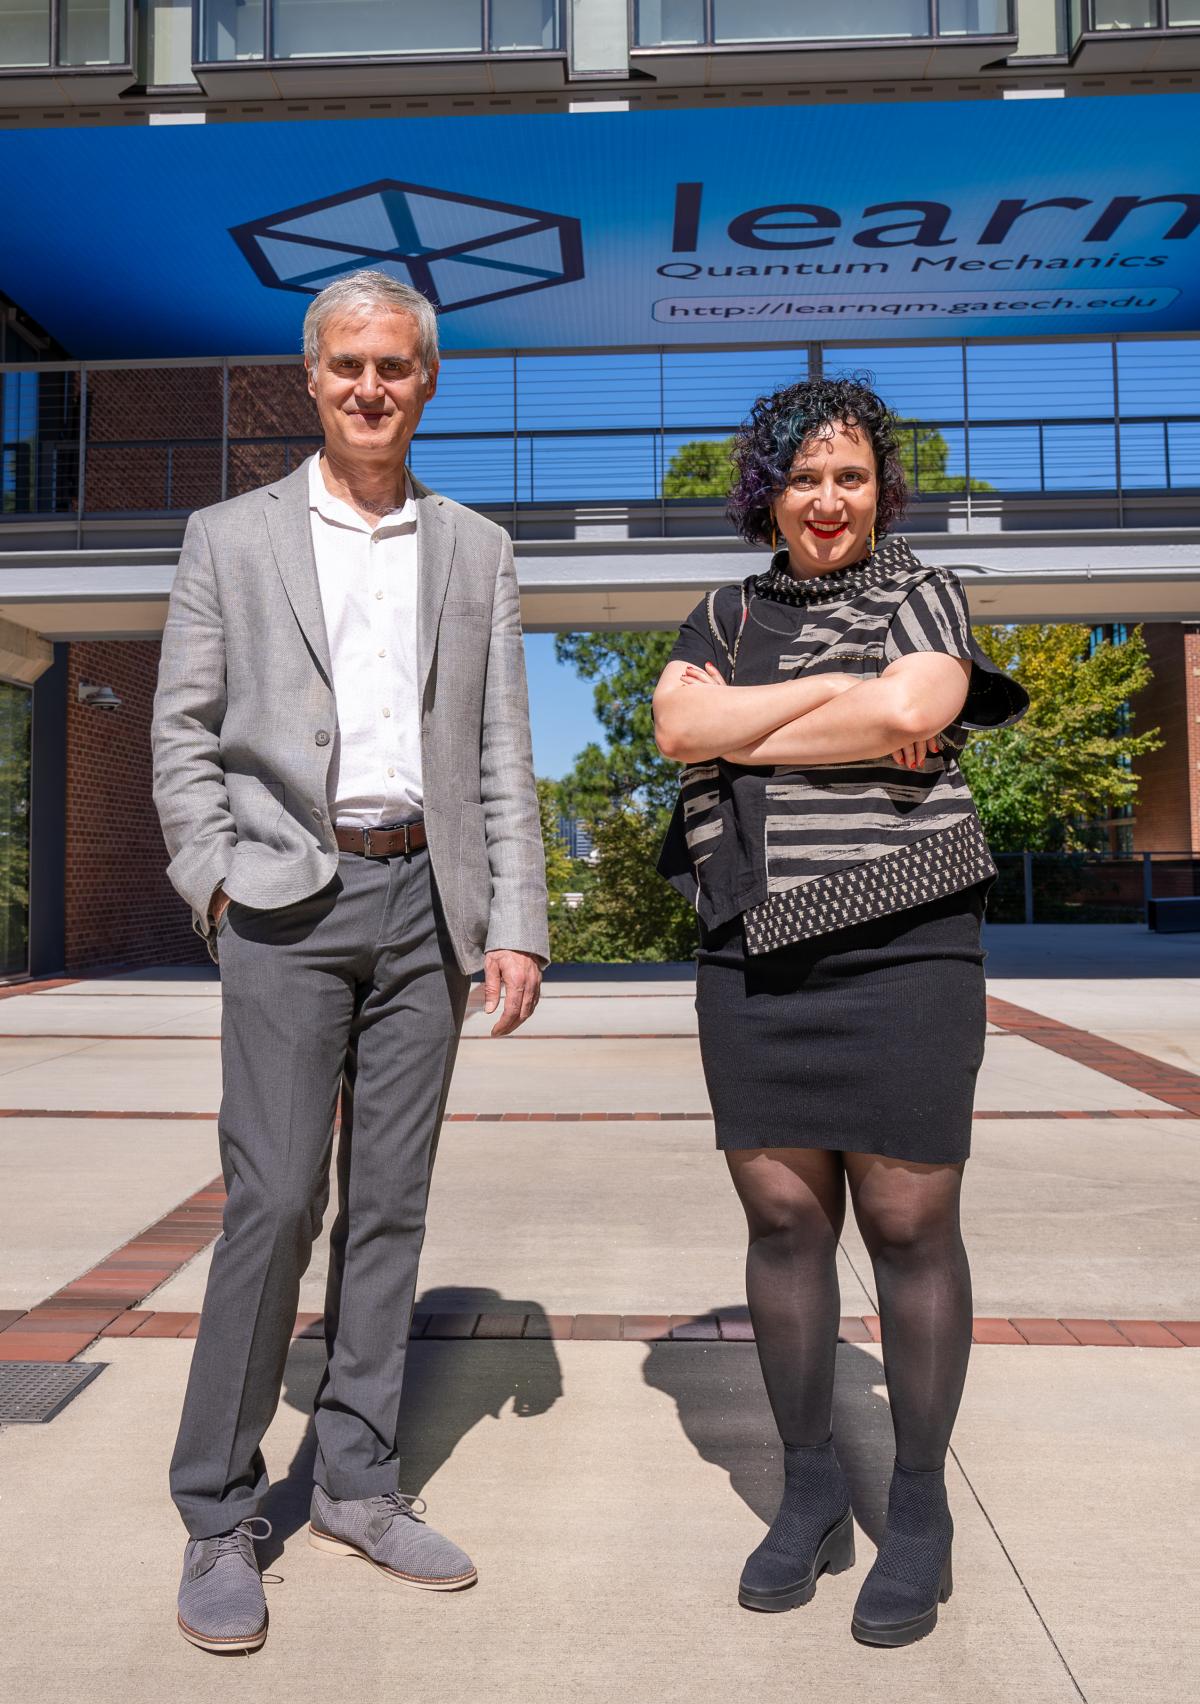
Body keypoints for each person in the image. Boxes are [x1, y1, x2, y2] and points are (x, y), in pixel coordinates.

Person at [152, 269, 548, 1654]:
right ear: (309, 377)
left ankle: (361, 1482)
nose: (371, 387)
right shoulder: (229, 537)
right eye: (347, 366)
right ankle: (217, 1508)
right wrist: (213, 884)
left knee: (390, 1205)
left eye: (396, 366)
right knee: (272, 1206)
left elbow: (502, 746)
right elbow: (182, 732)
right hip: (281, 905)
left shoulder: (480, 549)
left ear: (427, 380)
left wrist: (515, 920)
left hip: (422, 906)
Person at [653, 376, 1028, 1649]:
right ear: (769, 489)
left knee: (914, 1224)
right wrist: (836, 711)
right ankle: (810, 1484)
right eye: (806, 477)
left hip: (907, 944)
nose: (829, 500)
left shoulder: (921, 589)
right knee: (782, 1220)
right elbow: (672, 724)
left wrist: (740, 729)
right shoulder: (723, 607)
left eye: (853, 476)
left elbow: (918, 706)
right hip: (751, 951)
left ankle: (917, 1507)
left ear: (884, 489)